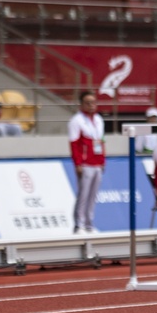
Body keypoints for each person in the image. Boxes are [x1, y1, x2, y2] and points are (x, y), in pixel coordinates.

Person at [68, 90, 104, 234]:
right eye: (88, 103)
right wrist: (78, 163)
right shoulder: (76, 121)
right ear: (81, 104)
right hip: (85, 164)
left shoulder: (98, 120)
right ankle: (79, 224)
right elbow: (74, 144)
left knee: (93, 195)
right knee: (83, 194)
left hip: (97, 163)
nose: (91, 105)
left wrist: (102, 160)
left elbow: (101, 142)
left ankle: (89, 224)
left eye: (93, 102)